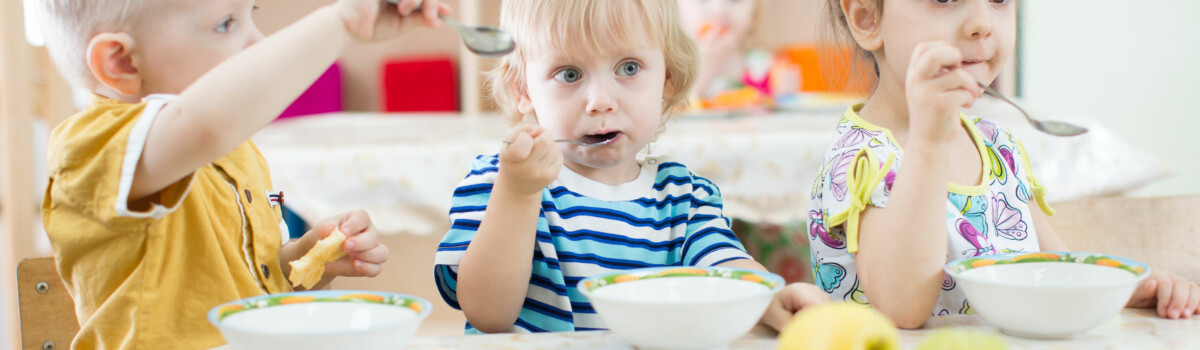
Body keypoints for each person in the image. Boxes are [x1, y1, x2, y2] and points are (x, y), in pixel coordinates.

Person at [32, 0, 445, 347]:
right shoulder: (90, 148)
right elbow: (201, 122)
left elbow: (257, 282)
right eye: (226, 24)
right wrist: (343, 23)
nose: (257, 41)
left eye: (252, 12)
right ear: (121, 61)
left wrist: (307, 258)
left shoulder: (238, 151)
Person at [433, 0, 828, 334]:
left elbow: (726, 265)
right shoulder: (501, 182)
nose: (600, 101)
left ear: (668, 80)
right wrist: (518, 194)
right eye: (569, 74)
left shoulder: (684, 198)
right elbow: (487, 314)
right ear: (523, 89)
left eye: (629, 68)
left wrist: (768, 293)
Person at [809, 0, 1200, 329]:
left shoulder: (998, 146)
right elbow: (900, 308)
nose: (981, 22)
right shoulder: (862, 157)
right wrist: (930, 141)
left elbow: (1052, 267)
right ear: (866, 18)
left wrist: (1120, 287)